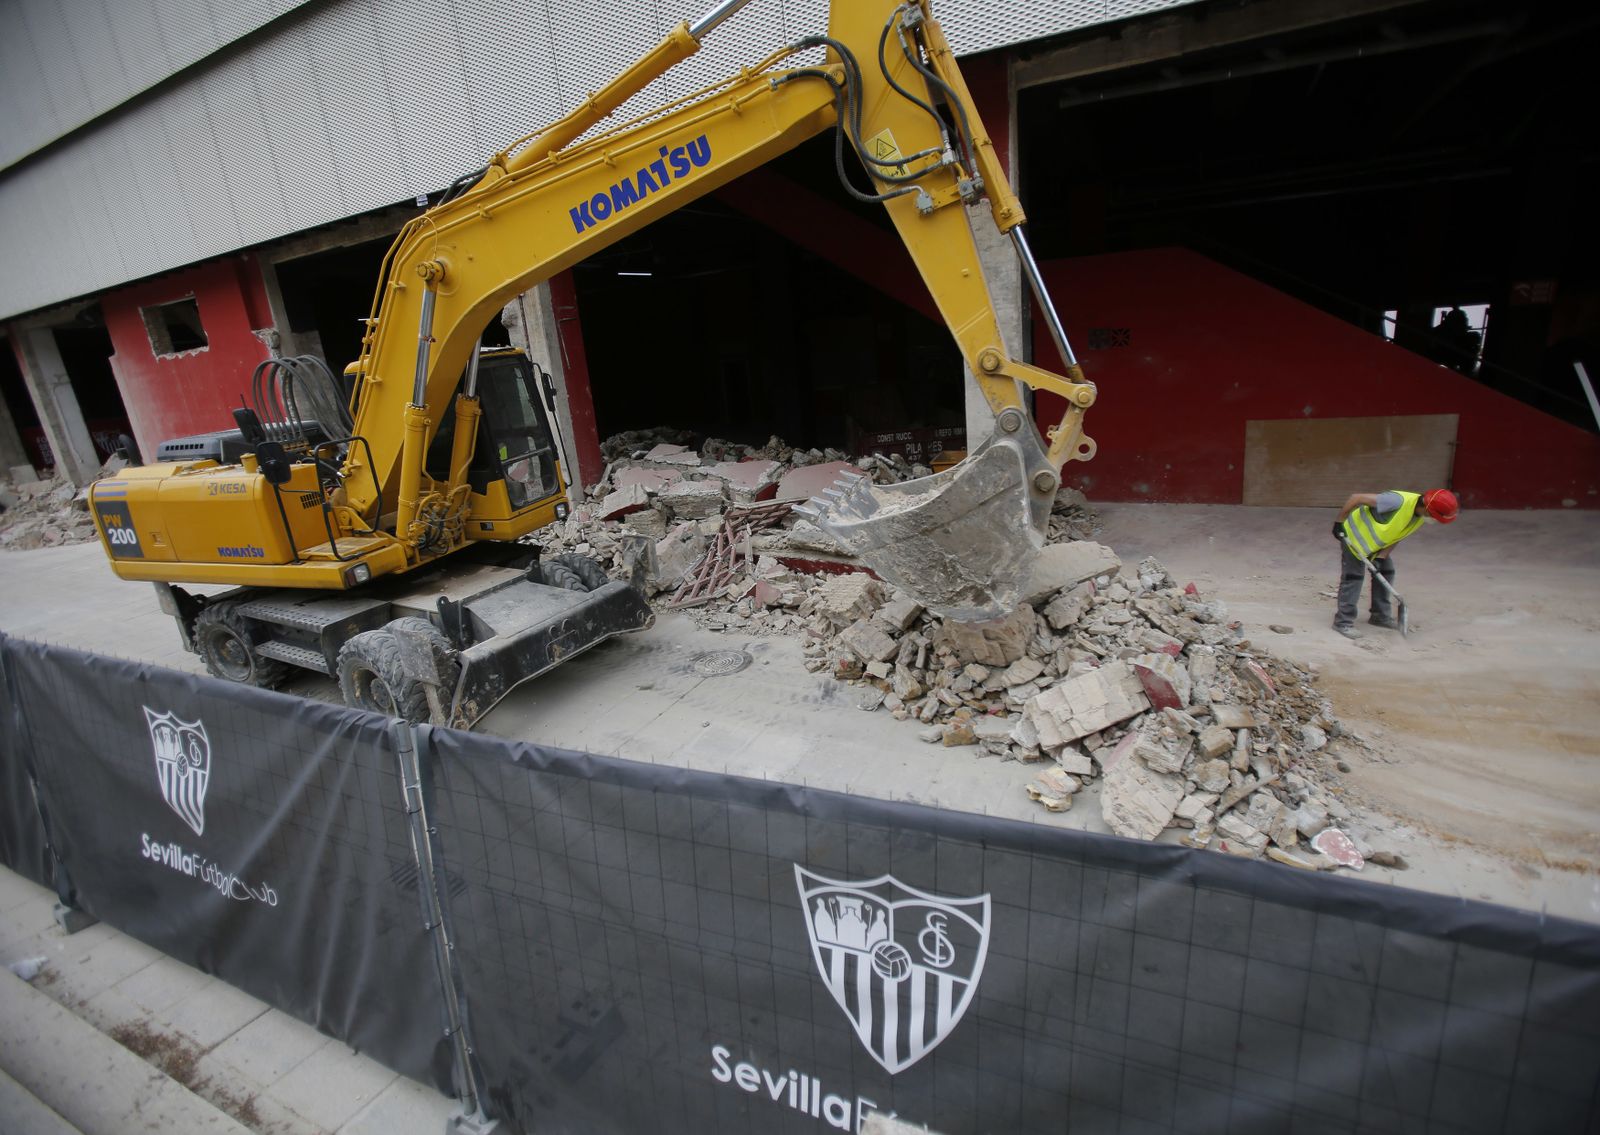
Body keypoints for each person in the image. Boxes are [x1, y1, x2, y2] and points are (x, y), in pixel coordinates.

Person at [1330, 488, 1458, 638]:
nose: (1434, 520)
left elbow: (1397, 535)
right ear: (1426, 507)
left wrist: (1381, 558)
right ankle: (1343, 622)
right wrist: (1339, 522)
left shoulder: (1418, 516)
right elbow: (1356, 498)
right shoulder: (1396, 501)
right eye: (1434, 516)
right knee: (1354, 578)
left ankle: (1380, 616)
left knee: (1386, 571)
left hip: (1373, 545)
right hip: (1352, 537)